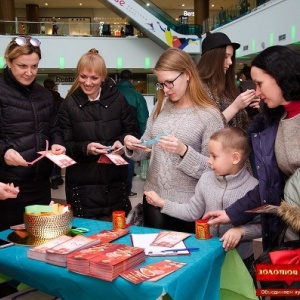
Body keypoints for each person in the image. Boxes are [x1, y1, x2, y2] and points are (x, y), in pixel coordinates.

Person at [203, 45, 300, 251]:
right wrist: (232, 213)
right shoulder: (274, 122)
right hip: (290, 234)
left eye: (259, 84)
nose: (257, 92)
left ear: (280, 76)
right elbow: (271, 184)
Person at [124, 47, 224, 233]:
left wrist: (183, 151)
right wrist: (133, 145)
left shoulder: (209, 115)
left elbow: (214, 169)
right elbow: (146, 147)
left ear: (187, 74)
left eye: (170, 82)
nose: (166, 89)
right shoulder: (160, 107)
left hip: (189, 205)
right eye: (161, 84)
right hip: (153, 198)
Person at [145, 127, 260, 270]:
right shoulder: (206, 180)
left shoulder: (254, 189)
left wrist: (241, 231)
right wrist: (162, 203)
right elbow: (191, 211)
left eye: (214, 156)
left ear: (235, 158)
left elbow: (262, 226)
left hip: (241, 260)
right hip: (209, 254)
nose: (209, 161)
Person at [58, 48, 138, 220]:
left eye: (94, 78)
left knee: (116, 239)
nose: (88, 82)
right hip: (82, 185)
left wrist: (122, 141)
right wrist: (86, 148)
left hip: (115, 183)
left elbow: (131, 130)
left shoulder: (118, 99)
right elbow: (65, 143)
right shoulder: (69, 105)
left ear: (103, 77)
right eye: (83, 77)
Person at [0, 35, 65, 230]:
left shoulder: (45, 95)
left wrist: (57, 142)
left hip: (40, 186)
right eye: (22, 66)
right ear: (8, 61)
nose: (29, 72)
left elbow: (54, 127)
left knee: (40, 240)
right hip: (7, 187)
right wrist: (3, 152)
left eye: (34, 66)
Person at [197, 32, 259, 132]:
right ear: (212, 57)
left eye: (231, 57)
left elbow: (243, 125)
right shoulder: (197, 88)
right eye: (226, 56)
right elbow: (205, 129)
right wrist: (236, 106)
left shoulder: (225, 86)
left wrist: (248, 109)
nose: (230, 62)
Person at [117, 69, 149, 198]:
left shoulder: (111, 93)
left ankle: (115, 191)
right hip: (131, 135)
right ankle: (127, 190)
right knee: (128, 162)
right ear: (131, 80)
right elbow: (142, 119)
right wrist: (143, 140)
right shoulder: (137, 96)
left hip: (112, 136)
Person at [44, 78, 65, 189]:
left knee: (49, 156)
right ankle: (58, 177)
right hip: (59, 131)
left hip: (45, 132)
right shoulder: (61, 100)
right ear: (54, 87)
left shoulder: (42, 99)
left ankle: (52, 178)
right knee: (58, 154)